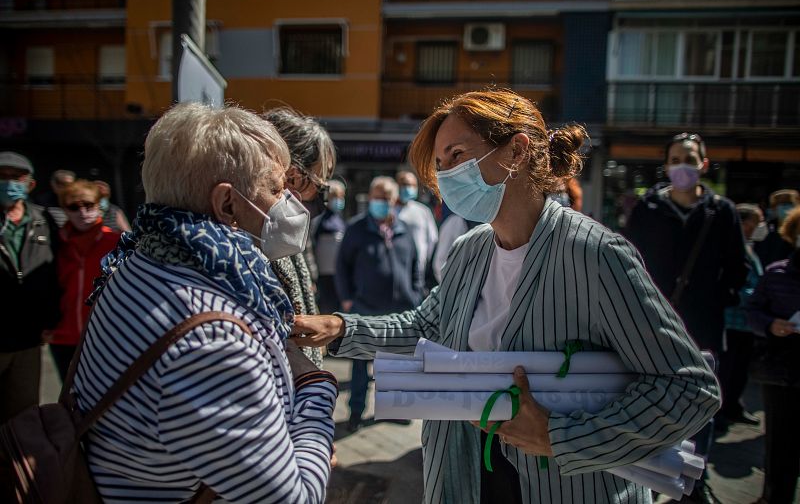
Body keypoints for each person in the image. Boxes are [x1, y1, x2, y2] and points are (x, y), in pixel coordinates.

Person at [293, 89, 720, 504]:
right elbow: (427, 327)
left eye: (457, 156)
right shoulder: (471, 249)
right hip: (470, 474)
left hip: (566, 485)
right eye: (440, 165)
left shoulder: (592, 253)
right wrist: (341, 328)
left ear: (517, 151)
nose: (445, 178)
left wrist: (561, 437)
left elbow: (689, 388)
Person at [72, 103, 337, 502]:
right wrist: (316, 385)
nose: (290, 201)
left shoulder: (139, 259)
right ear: (228, 204)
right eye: (276, 187)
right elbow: (292, 497)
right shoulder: (212, 338)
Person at [625, 132, 746, 503]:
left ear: (704, 165)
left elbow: (737, 268)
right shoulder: (649, 208)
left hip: (703, 325)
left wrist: (713, 298)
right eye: (676, 159)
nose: (682, 166)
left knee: (702, 403)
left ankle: (694, 478)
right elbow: (629, 260)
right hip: (653, 325)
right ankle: (653, 473)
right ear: (665, 166)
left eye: (690, 159)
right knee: (650, 397)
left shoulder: (721, 211)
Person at [335, 176, 423, 431]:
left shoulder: (404, 229)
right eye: (376, 197)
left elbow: (416, 266)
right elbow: (342, 267)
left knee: (397, 366)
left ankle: (394, 410)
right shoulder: (356, 229)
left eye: (385, 198)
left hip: (400, 310)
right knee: (360, 365)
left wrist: (415, 293)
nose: (380, 202)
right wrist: (347, 299)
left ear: (395, 201)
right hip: (365, 309)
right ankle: (356, 412)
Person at [262, 106, 336, 369]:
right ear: (290, 174)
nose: (319, 195)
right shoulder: (255, 244)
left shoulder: (283, 239)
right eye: (317, 183)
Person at [746, 206, 800, 504]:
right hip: (782, 370)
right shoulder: (777, 273)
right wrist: (771, 325)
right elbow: (753, 312)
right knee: (780, 442)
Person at [0, 152, 60, 422]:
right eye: (2, 177)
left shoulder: (43, 221)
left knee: (24, 416)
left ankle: (15, 465)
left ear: (30, 184)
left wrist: (51, 318)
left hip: (29, 338)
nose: (9, 183)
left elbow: (56, 271)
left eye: (16, 178)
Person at [48, 179, 120, 381]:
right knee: (69, 392)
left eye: (88, 205)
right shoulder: (55, 242)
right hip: (64, 336)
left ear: (99, 206)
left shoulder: (115, 241)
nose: (82, 212)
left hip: (103, 334)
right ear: (64, 209)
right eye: (74, 207)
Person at [717, 204, 766, 430]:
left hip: (746, 322)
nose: (760, 227)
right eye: (756, 222)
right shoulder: (731, 246)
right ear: (744, 223)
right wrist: (759, 297)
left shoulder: (749, 247)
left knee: (739, 370)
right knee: (726, 370)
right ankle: (720, 412)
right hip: (732, 320)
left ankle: (733, 408)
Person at [395, 170, 438, 282]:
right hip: (395, 268)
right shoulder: (389, 211)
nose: (408, 188)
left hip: (419, 269)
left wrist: (425, 260)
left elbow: (432, 239)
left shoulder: (423, 211)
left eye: (412, 185)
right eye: (404, 184)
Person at [313, 179, 346, 314]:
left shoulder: (339, 218)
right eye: (335, 197)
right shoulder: (319, 219)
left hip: (337, 273)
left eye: (341, 197)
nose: (338, 200)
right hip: (323, 275)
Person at [754, 188, 799, 268]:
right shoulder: (764, 229)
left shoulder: (797, 231)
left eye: (790, 204)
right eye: (782, 204)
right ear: (773, 208)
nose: (786, 209)